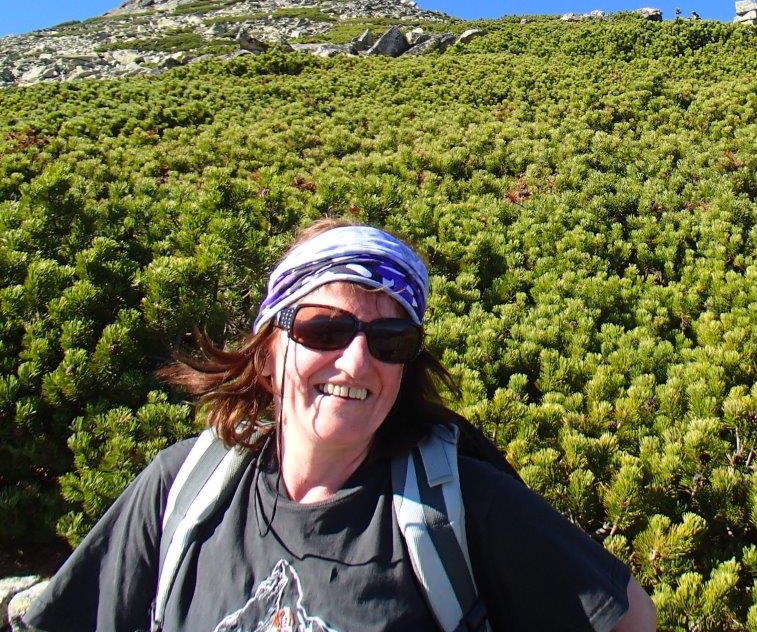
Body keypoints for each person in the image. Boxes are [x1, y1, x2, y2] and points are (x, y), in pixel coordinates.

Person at [22, 220, 657, 632]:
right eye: (325, 329)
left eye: (390, 341)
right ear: (271, 350)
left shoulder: (459, 508)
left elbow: (628, 619)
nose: (357, 360)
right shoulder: (181, 489)